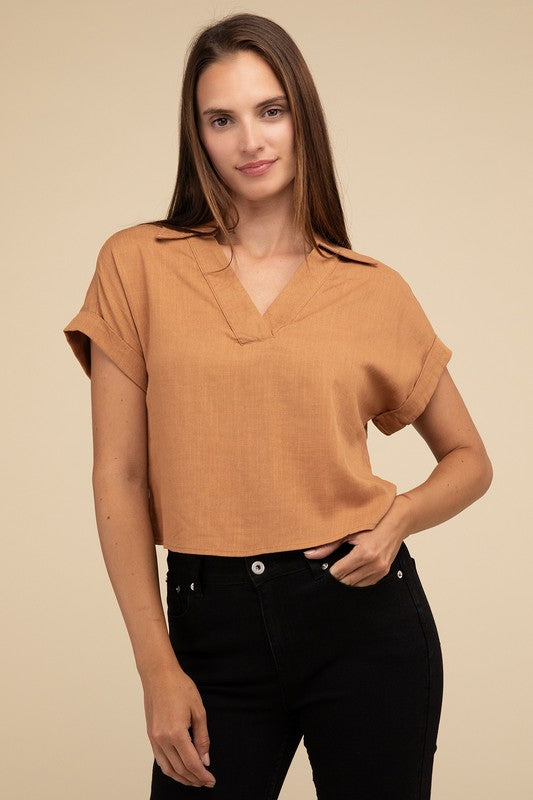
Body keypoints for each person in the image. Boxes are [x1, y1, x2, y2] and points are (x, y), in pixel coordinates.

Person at [62, 11, 493, 800]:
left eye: (270, 111)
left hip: (364, 621)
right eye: (220, 119)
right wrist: (156, 665)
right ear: (197, 135)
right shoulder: (137, 264)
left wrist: (394, 520)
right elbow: (118, 476)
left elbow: (470, 461)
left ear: (302, 117)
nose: (249, 141)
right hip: (207, 622)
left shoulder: (371, 288)